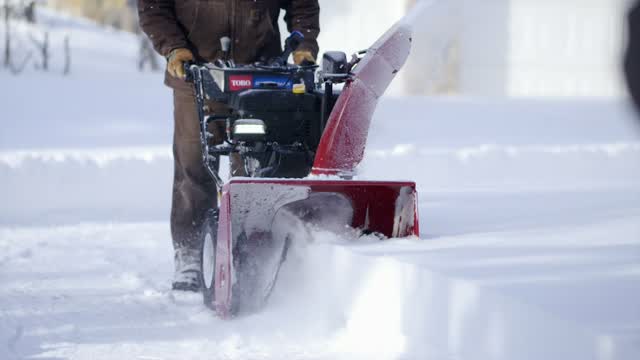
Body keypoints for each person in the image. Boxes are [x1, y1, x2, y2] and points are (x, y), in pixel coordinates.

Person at [137, 0, 320, 291]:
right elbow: (153, 7)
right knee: (193, 164)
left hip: (260, 76)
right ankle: (190, 251)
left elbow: (302, 5)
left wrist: (304, 43)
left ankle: (248, 247)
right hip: (194, 72)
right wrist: (173, 47)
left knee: (253, 167)